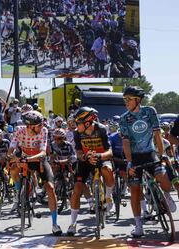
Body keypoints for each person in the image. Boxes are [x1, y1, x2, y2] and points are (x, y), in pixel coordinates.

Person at [119, 86, 176, 238]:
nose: (126, 102)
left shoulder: (149, 111)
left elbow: (157, 134)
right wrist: (130, 163)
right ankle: (138, 226)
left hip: (150, 152)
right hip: (134, 156)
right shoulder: (124, 118)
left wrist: (162, 154)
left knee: (163, 177)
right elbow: (125, 143)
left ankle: (167, 196)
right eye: (124, 99)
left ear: (138, 100)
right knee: (135, 189)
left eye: (128, 99)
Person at [7, 110, 62, 236]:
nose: (42, 126)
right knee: (14, 168)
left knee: (50, 188)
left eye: (42, 123)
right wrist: (10, 155)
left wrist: (30, 159)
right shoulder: (19, 130)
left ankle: (54, 224)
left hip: (39, 160)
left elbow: (43, 152)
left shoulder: (43, 131)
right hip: (23, 157)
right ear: (30, 126)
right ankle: (17, 193)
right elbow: (12, 146)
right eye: (39, 124)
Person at [67, 107, 115, 236]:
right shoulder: (77, 133)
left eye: (78, 123)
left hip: (101, 157)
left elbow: (110, 151)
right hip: (85, 159)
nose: (76, 126)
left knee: (107, 169)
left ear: (87, 122)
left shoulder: (101, 129)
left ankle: (109, 196)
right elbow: (78, 151)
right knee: (77, 188)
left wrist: (99, 156)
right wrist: (84, 157)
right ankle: (73, 223)